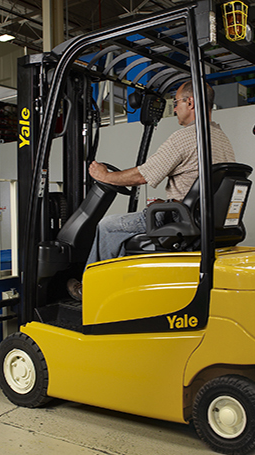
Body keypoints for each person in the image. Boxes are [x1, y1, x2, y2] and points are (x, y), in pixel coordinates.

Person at [67, 81, 235, 301]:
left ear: (190, 102)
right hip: (203, 220)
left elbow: (142, 175)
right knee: (124, 230)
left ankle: (91, 291)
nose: (174, 108)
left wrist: (104, 176)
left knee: (107, 226)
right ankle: (119, 287)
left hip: (180, 219)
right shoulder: (221, 138)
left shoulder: (186, 137)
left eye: (176, 102)